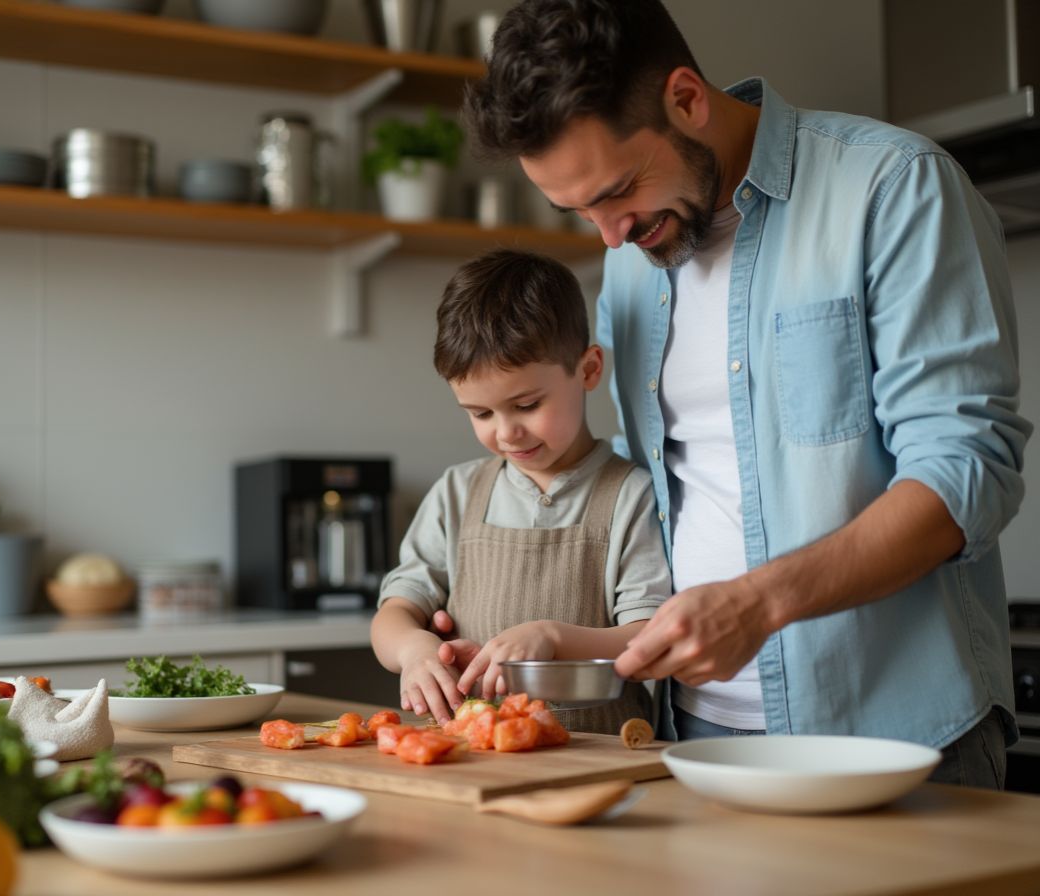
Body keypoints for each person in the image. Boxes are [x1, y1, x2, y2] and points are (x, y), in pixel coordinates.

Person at [461, 0, 1031, 787]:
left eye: (617, 190)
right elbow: (645, 495)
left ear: (687, 99)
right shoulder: (635, 254)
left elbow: (968, 471)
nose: (608, 235)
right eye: (577, 209)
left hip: (892, 736)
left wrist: (760, 604)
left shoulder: (892, 188)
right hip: (686, 740)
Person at [370, 248, 671, 733]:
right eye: (481, 414)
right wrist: (412, 648)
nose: (506, 433)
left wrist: (551, 636)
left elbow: (649, 637)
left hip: (598, 757)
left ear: (589, 369)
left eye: (527, 404)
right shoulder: (457, 492)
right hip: (473, 756)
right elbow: (395, 612)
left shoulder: (629, 495)